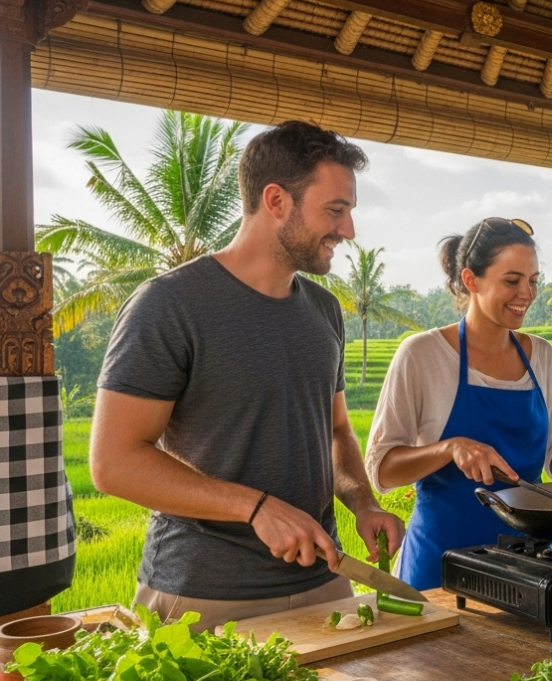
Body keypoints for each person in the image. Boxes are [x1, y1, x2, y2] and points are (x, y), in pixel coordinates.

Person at [90, 121, 405, 631]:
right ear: (276, 200)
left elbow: (336, 430)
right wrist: (253, 507)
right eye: (336, 209)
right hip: (202, 593)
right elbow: (113, 462)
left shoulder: (324, 310)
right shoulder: (168, 305)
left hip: (323, 580)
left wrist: (363, 503)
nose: (348, 230)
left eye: (349, 212)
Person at [365, 218, 552, 590]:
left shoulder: (543, 357)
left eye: (533, 281)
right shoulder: (423, 355)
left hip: (525, 566)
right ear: (471, 280)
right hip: (439, 567)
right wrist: (450, 448)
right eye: (512, 281)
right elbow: (382, 470)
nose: (527, 293)